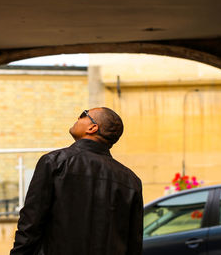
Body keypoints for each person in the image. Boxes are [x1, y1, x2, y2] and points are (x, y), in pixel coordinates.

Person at [10, 107, 143, 255]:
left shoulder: (55, 162)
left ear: (92, 127)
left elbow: (30, 222)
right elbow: (134, 242)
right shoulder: (131, 180)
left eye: (83, 115)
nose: (78, 118)